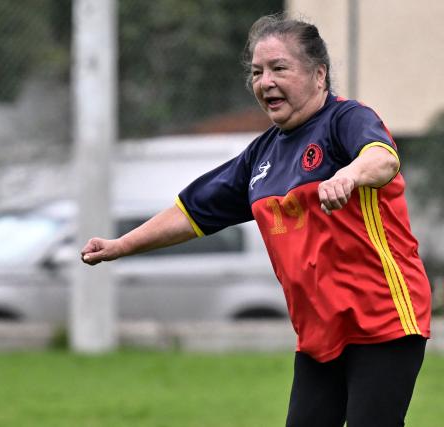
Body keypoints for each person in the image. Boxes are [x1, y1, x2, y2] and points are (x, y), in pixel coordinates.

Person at [80, 13, 432, 427]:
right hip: (319, 335)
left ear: (319, 75)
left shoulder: (346, 120)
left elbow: (382, 158)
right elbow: (191, 211)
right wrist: (121, 245)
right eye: (257, 72)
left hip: (383, 320)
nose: (266, 82)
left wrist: (348, 174)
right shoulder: (261, 157)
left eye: (279, 68)